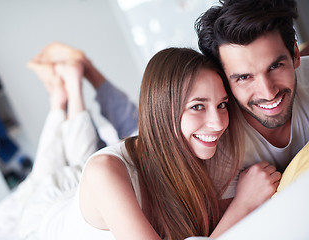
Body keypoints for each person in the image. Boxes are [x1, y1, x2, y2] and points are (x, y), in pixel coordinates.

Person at [70, 47, 280, 239]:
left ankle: (87, 72)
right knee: (79, 151)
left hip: (147, 147)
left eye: (222, 104)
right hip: (51, 209)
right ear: (162, 110)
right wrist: (243, 205)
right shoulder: (105, 171)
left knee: (128, 123)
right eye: (197, 106)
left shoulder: (195, 152)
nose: (218, 124)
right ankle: (71, 85)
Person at [195, 0, 309, 198]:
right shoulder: (218, 145)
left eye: (275, 67)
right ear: (225, 81)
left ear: (295, 54)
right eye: (244, 77)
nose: (268, 92)